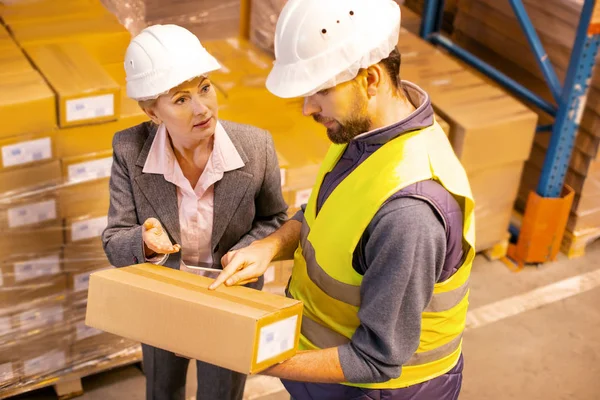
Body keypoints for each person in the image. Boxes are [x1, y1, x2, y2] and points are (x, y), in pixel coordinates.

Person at [210, 0, 475, 399]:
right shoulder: (364, 137)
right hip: (327, 378)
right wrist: (270, 246)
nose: (306, 109)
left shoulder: (410, 214)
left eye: (321, 91)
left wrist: (258, 358)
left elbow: (377, 359)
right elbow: (326, 214)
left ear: (370, 79)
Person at [101, 24, 288, 400]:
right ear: (152, 111)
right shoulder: (128, 149)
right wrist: (145, 242)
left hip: (230, 297)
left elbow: (276, 220)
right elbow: (114, 238)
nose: (202, 108)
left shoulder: (256, 146)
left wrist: (248, 251)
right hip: (164, 299)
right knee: (163, 389)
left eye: (204, 88)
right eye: (181, 99)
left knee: (222, 394)